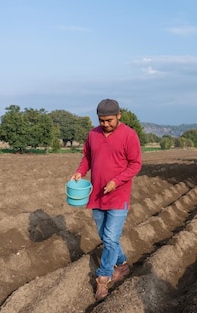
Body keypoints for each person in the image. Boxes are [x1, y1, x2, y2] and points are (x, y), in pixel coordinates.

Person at [70, 99, 142, 301]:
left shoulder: (129, 135)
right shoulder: (93, 134)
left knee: (110, 239)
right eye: (101, 120)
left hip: (119, 195)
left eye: (109, 120)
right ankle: (123, 264)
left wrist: (116, 181)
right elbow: (87, 157)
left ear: (119, 115)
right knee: (105, 236)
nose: (105, 124)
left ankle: (103, 278)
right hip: (97, 195)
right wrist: (80, 172)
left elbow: (135, 164)